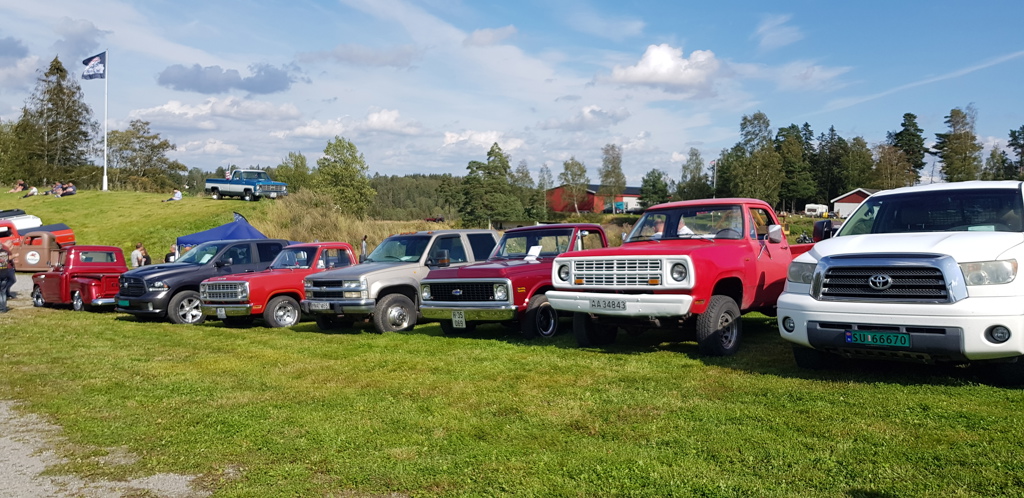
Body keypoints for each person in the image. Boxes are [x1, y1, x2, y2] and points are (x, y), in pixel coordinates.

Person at [0, 242, 11, 312]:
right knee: (3, 292)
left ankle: (1, 308)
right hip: (5, 273)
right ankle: (4, 307)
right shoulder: (6, 253)